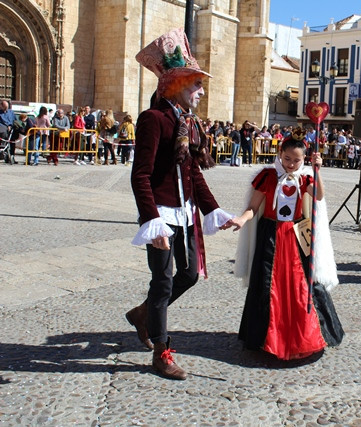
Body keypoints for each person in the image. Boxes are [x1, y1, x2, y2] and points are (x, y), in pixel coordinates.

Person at [127, 28, 233, 380]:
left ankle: (143, 314)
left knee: (188, 274)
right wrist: (151, 221)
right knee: (163, 282)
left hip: (185, 213)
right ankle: (161, 350)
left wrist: (213, 210)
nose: (201, 93)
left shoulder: (188, 123)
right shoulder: (153, 120)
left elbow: (193, 175)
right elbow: (140, 175)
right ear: (177, 86)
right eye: (196, 86)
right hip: (162, 214)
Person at [228, 127, 344, 360]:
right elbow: (253, 207)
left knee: (303, 285)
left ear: (304, 159)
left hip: (299, 233)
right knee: (267, 285)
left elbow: (319, 196)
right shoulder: (267, 177)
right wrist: (241, 219)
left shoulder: (306, 178)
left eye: (296, 160)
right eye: (287, 158)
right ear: (280, 154)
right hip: (271, 234)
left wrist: (317, 169)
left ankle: (306, 334)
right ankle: (266, 337)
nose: (291, 164)